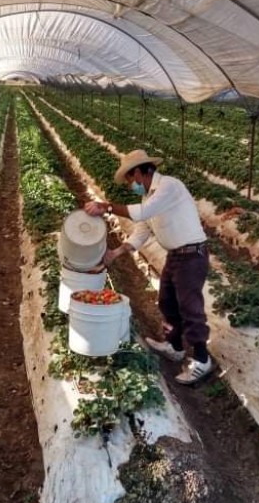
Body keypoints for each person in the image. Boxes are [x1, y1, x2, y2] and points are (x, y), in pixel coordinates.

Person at [83, 149, 214, 385]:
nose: (131, 185)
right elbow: (143, 230)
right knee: (167, 301)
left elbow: (143, 213)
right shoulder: (148, 198)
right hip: (176, 255)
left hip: (193, 255)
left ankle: (202, 360)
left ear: (140, 172)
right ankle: (175, 346)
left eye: (131, 179)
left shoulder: (169, 187)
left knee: (190, 307)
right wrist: (115, 253)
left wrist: (107, 206)